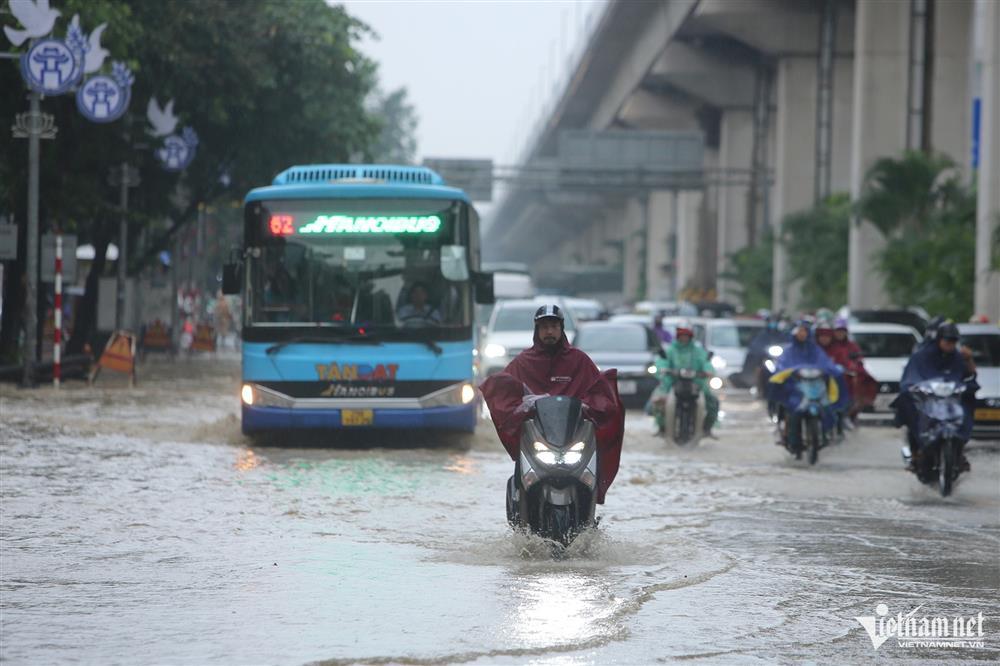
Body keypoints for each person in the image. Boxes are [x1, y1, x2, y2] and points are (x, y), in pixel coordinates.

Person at [480, 305, 624, 504]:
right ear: (537, 330)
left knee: (591, 472)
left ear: (561, 329)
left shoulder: (579, 360)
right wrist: (521, 406)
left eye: (554, 326)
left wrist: (589, 406)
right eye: (544, 326)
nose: (549, 331)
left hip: (573, 438)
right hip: (537, 440)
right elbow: (506, 390)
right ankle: (519, 502)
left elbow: (600, 393)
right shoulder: (523, 362)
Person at [894, 323, 977, 471]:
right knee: (910, 408)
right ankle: (916, 453)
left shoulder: (958, 357)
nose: (950, 345)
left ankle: (959, 452)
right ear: (939, 340)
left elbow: (968, 376)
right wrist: (914, 388)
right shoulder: (922, 355)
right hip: (927, 400)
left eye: (953, 342)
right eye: (947, 341)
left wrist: (969, 360)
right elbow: (911, 377)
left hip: (951, 402)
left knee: (967, 408)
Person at [769, 320, 846, 450]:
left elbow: (826, 363)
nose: (802, 334)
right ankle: (791, 439)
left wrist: (834, 369)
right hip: (795, 388)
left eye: (804, 331)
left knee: (829, 407)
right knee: (791, 409)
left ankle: (828, 433)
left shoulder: (815, 350)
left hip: (815, 386)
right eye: (799, 331)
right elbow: (781, 366)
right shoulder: (789, 351)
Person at [651, 322, 718, 436]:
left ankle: (706, 429)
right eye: (681, 335)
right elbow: (662, 362)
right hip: (672, 383)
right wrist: (663, 368)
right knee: (657, 400)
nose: (684, 337)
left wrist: (708, 371)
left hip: (696, 384)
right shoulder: (671, 350)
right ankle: (662, 427)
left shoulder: (698, 351)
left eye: (686, 335)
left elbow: (706, 362)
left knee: (712, 402)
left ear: (690, 336)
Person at [825, 318, 878, 418]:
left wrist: (854, 364)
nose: (840, 334)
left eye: (842, 331)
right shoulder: (830, 345)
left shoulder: (852, 345)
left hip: (849, 374)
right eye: (837, 331)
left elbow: (858, 359)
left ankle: (858, 405)